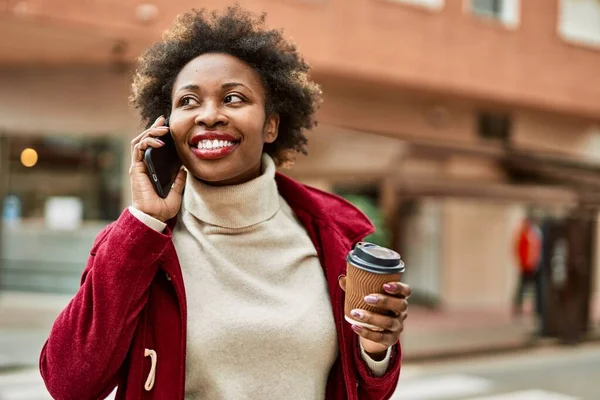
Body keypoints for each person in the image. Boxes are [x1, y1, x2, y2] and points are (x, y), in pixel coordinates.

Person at [39, 6, 411, 400]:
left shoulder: (332, 238)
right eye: (188, 102)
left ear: (271, 125)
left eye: (233, 98)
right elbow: (69, 384)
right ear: (164, 126)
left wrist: (375, 348)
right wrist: (144, 223)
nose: (209, 115)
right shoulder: (137, 244)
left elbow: (363, 391)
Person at [513, 213, 543, 317]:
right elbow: (519, 250)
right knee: (522, 288)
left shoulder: (534, 234)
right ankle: (518, 307)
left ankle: (537, 308)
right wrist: (522, 262)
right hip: (526, 266)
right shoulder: (524, 235)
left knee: (535, 288)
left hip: (534, 266)